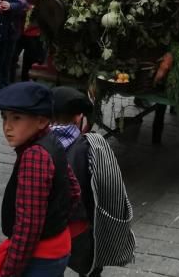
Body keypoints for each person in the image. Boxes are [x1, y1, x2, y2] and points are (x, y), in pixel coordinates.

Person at [0, 82, 82, 277]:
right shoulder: (51, 140)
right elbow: (74, 190)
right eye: (4, 118)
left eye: (17, 118)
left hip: (41, 255)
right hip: (59, 246)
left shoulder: (34, 156)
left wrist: (9, 270)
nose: (7, 127)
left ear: (41, 121)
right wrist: (56, 222)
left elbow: (28, 225)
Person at [51, 87, 135, 277]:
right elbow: (102, 190)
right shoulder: (90, 147)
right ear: (78, 118)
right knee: (91, 270)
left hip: (48, 231)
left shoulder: (39, 146)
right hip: (78, 230)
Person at [12, 0, 46, 83]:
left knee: (29, 55)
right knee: (30, 56)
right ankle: (25, 79)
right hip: (28, 28)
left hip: (30, 27)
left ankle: (25, 78)